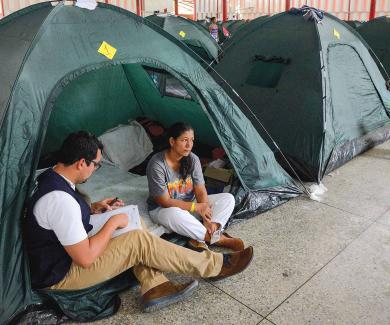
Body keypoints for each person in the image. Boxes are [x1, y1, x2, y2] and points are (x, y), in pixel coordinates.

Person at [24, 131, 253, 312]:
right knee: (136, 240)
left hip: (62, 256)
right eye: (96, 164)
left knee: (135, 224)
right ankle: (215, 266)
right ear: (81, 163)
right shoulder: (60, 200)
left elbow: (61, 221)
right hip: (61, 275)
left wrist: (93, 209)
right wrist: (112, 224)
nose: (96, 169)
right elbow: (85, 258)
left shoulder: (52, 177)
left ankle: (155, 286)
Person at [146, 122, 245, 252]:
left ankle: (200, 236)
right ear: (172, 141)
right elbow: (165, 201)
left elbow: (200, 190)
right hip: (163, 209)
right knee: (175, 214)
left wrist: (207, 219)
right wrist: (196, 207)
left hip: (190, 204)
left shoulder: (193, 159)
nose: (189, 145)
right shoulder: (157, 164)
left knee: (228, 199)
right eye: (184, 140)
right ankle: (219, 239)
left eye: (192, 140)